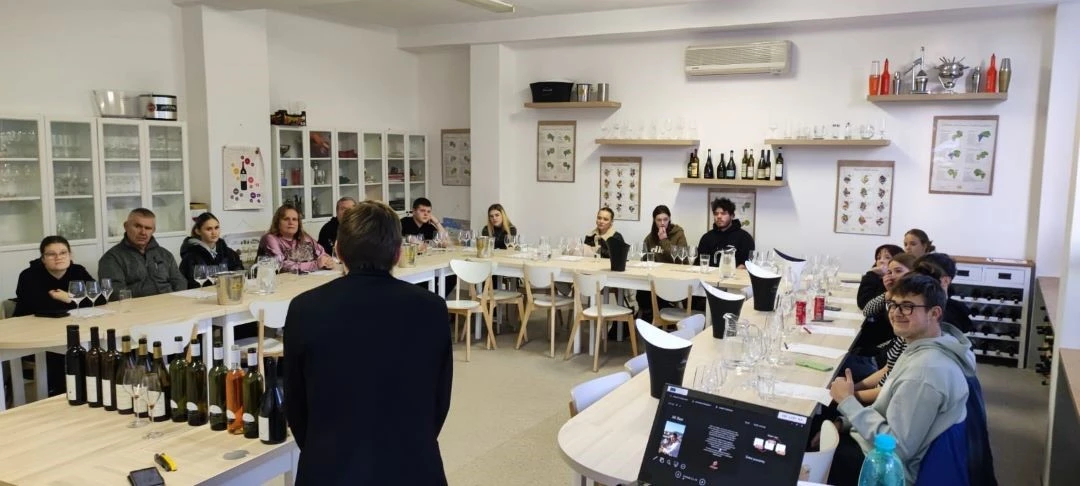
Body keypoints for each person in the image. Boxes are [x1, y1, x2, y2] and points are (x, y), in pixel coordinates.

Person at [284, 200, 452, 485]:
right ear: (398, 253)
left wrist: (320, 448)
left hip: (329, 463)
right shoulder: (432, 308)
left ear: (338, 251)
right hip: (413, 461)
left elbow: (296, 404)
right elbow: (439, 398)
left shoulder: (304, 309)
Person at [828, 273, 975, 485]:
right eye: (893, 305)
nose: (896, 313)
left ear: (934, 313)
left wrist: (848, 402)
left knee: (800, 449)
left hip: (891, 470)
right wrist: (843, 422)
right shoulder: (926, 345)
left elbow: (897, 448)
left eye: (907, 307)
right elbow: (884, 407)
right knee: (820, 426)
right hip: (880, 446)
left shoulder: (924, 373)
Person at [14, 236, 96, 397]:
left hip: (71, 329)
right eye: (51, 254)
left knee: (91, 347)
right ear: (43, 258)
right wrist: (77, 300)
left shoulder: (78, 271)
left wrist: (68, 298)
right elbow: (40, 306)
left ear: (70, 255)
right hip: (33, 335)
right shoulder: (29, 275)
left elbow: (98, 298)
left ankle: (86, 391)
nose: (58, 257)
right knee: (65, 352)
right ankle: (59, 395)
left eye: (63, 253)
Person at [845, 253, 916, 382]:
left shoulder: (912, 301)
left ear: (914, 273)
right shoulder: (895, 295)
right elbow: (867, 310)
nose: (892, 276)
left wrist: (854, 391)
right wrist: (889, 292)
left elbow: (889, 375)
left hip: (878, 364)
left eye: (898, 271)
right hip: (882, 361)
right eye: (889, 272)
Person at [98, 208, 186, 298]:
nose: (143, 232)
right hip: (134, 306)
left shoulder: (165, 254)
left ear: (153, 230)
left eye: (148, 228)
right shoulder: (111, 258)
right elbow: (114, 293)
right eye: (137, 226)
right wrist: (155, 287)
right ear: (126, 226)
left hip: (170, 303)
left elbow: (180, 282)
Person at [638, 205, 688, 321]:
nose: (662, 223)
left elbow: (682, 260)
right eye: (659, 220)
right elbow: (644, 260)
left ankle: (660, 321)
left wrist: (664, 240)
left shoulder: (678, 234)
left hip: (673, 280)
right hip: (654, 280)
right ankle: (649, 322)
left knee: (657, 297)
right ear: (654, 220)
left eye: (665, 219)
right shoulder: (650, 237)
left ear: (669, 219)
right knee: (641, 294)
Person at [259, 205, 334, 273]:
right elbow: (281, 265)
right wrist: (315, 265)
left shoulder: (305, 238)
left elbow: (322, 253)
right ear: (277, 222)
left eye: (294, 219)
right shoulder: (270, 239)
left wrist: (327, 262)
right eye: (286, 219)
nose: (291, 222)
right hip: (274, 281)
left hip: (303, 279)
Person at [178, 212, 244, 289]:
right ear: (198, 231)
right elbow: (187, 283)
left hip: (226, 292)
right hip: (200, 294)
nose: (214, 232)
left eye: (216, 228)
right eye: (209, 229)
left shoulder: (228, 252)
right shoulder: (190, 256)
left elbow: (239, 272)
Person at [697, 197, 755, 268]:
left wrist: (732, 273)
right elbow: (699, 262)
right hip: (709, 274)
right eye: (716, 214)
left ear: (732, 216)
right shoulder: (706, 237)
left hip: (734, 274)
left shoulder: (745, 237)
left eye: (723, 213)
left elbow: (747, 263)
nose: (719, 216)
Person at [857, 244, 903, 310]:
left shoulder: (898, 281)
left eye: (887, 257)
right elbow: (863, 304)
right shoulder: (873, 277)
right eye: (878, 258)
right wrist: (871, 274)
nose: (881, 261)